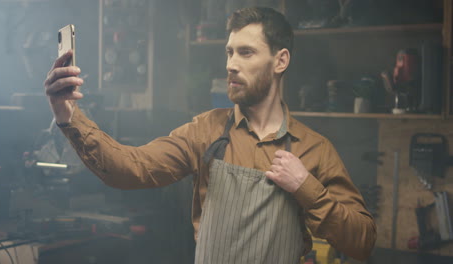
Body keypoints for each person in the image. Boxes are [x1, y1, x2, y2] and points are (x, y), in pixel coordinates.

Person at [44, 7, 376, 263]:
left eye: (246, 53)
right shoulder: (206, 131)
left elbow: (362, 242)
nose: (231, 64)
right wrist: (67, 114)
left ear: (281, 61)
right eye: (229, 52)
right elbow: (129, 168)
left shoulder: (315, 150)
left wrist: (307, 188)